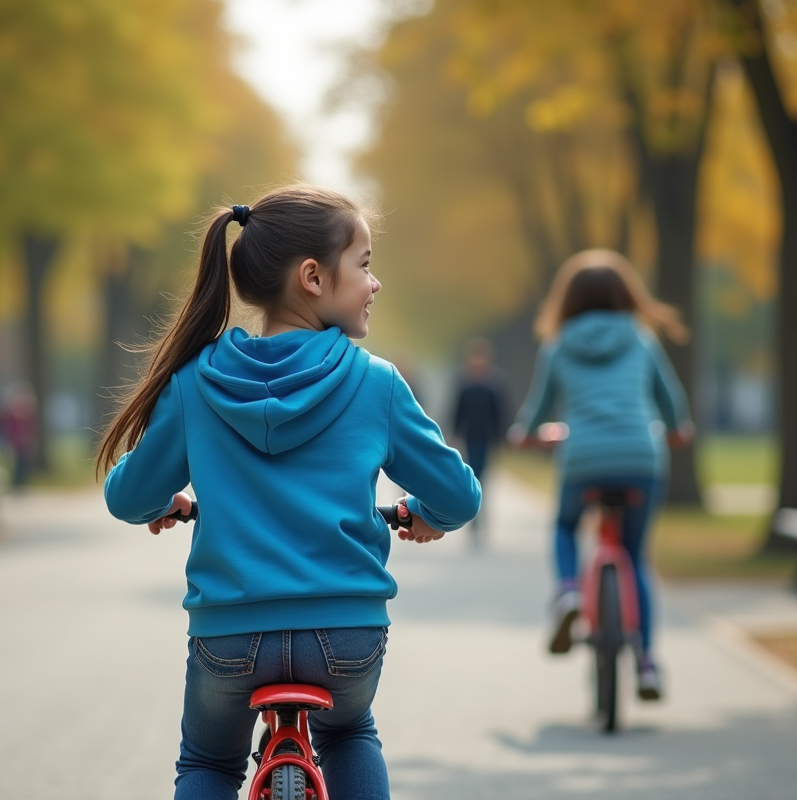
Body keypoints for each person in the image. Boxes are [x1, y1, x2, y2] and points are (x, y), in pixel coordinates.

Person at [98, 185, 481, 800]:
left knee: (208, 763)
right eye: (363, 263)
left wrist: (161, 501)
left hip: (231, 636)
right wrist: (424, 514)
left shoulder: (195, 383)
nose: (374, 281)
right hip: (345, 635)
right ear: (312, 276)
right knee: (350, 733)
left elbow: (127, 497)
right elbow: (459, 498)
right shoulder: (377, 383)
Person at [506, 249, 693, 702]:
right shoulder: (643, 339)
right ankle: (647, 663)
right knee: (636, 555)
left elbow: (536, 412)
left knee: (566, 525)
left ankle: (569, 592)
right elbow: (672, 406)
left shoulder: (558, 344)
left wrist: (525, 434)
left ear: (567, 300)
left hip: (584, 457)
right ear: (626, 294)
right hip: (640, 457)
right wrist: (676, 431)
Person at [451, 337, 507, 546]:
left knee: (482, 478)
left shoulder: (494, 384)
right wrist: (455, 434)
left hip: (486, 440)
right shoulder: (464, 383)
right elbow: (457, 411)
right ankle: (473, 516)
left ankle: (479, 516)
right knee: (472, 477)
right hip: (469, 439)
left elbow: (500, 414)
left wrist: (501, 438)